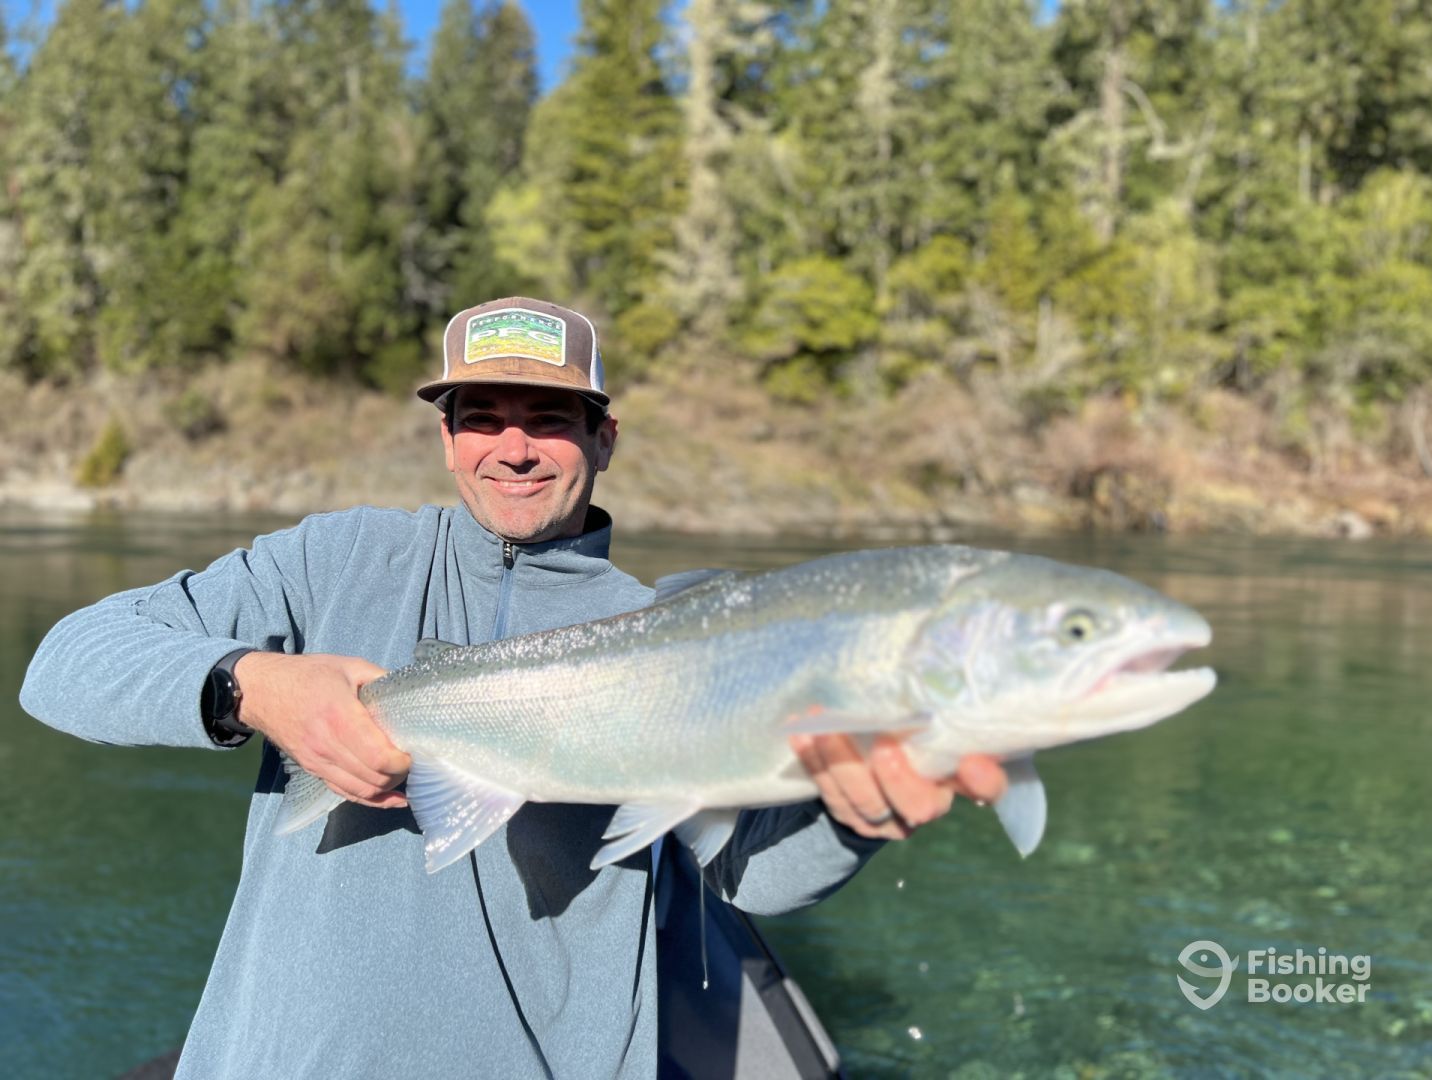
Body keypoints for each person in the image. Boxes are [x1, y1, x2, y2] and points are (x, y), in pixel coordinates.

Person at [21, 297, 1006, 1078]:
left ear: (605, 436)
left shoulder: (678, 633)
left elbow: (749, 873)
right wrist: (253, 683)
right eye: (481, 417)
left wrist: (853, 818)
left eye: (550, 419)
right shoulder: (331, 560)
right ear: (447, 437)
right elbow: (66, 662)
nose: (514, 447)